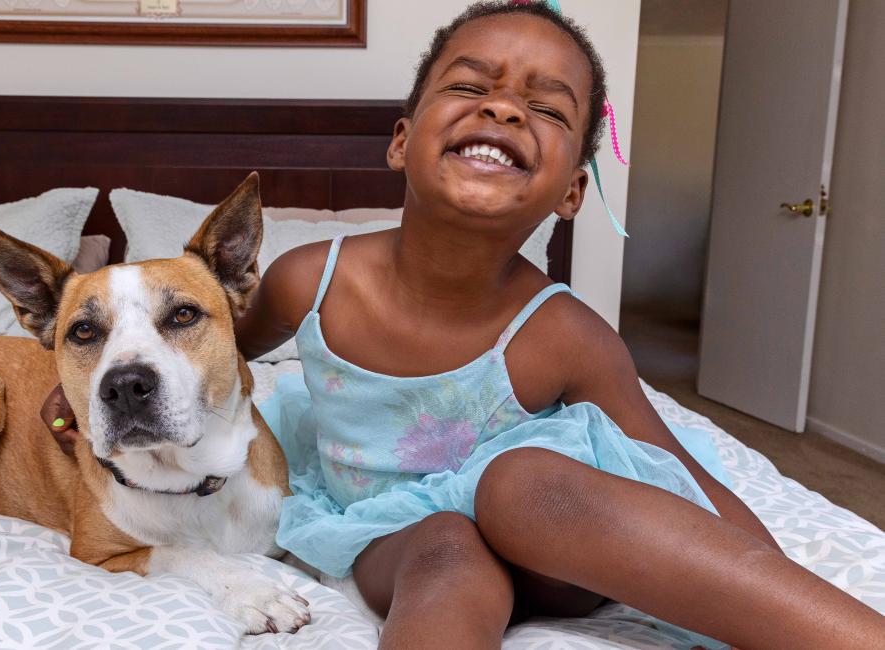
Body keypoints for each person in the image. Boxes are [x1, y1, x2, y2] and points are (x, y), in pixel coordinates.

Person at [45, 2, 885, 647]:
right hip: (387, 530)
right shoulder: (310, 280)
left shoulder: (566, 331)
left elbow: (678, 475)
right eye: (471, 86)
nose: (506, 109)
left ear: (571, 192)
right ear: (401, 142)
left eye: (547, 108)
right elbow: (205, 356)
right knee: (446, 541)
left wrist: (779, 583)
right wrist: (84, 392)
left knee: (517, 480)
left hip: (551, 540)